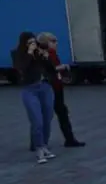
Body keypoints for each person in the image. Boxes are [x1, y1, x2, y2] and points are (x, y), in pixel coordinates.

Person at [35, 33, 85, 148]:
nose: (56, 43)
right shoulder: (45, 54)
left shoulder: (49, 54)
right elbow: (49, 69)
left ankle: (68, 139)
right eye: (53, 41)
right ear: (46, 43)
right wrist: (63, 67)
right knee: (54, 113)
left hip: (55, 86)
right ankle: (67, 139)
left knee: (57, 113)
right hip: (51, 88)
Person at [14, 32, 57, 164]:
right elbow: (21, 68)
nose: (33, 45)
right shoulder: (18, 54)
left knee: (47, 117)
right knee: (36, 120)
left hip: (45, 87)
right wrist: (29, 53)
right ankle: (38, 149)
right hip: (30, 89)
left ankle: (44, 145)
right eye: (29, 43)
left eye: (34, 42)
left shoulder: (40, 53)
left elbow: (51, 68)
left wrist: (46, 57)